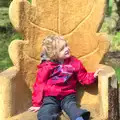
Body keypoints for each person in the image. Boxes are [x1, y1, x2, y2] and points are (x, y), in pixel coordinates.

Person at [28, 35, 102, 120]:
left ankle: (79, 118)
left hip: (68, 95)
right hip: (50, 97)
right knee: (46, 111)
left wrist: (93, 76)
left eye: (66, 45)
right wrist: (37, 104)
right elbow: (39, 84)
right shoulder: (47, 66)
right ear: (53, 54)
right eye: (62, 49)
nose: (67, 49)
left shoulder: (74, 62)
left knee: (72, 108)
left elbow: (83, 76)